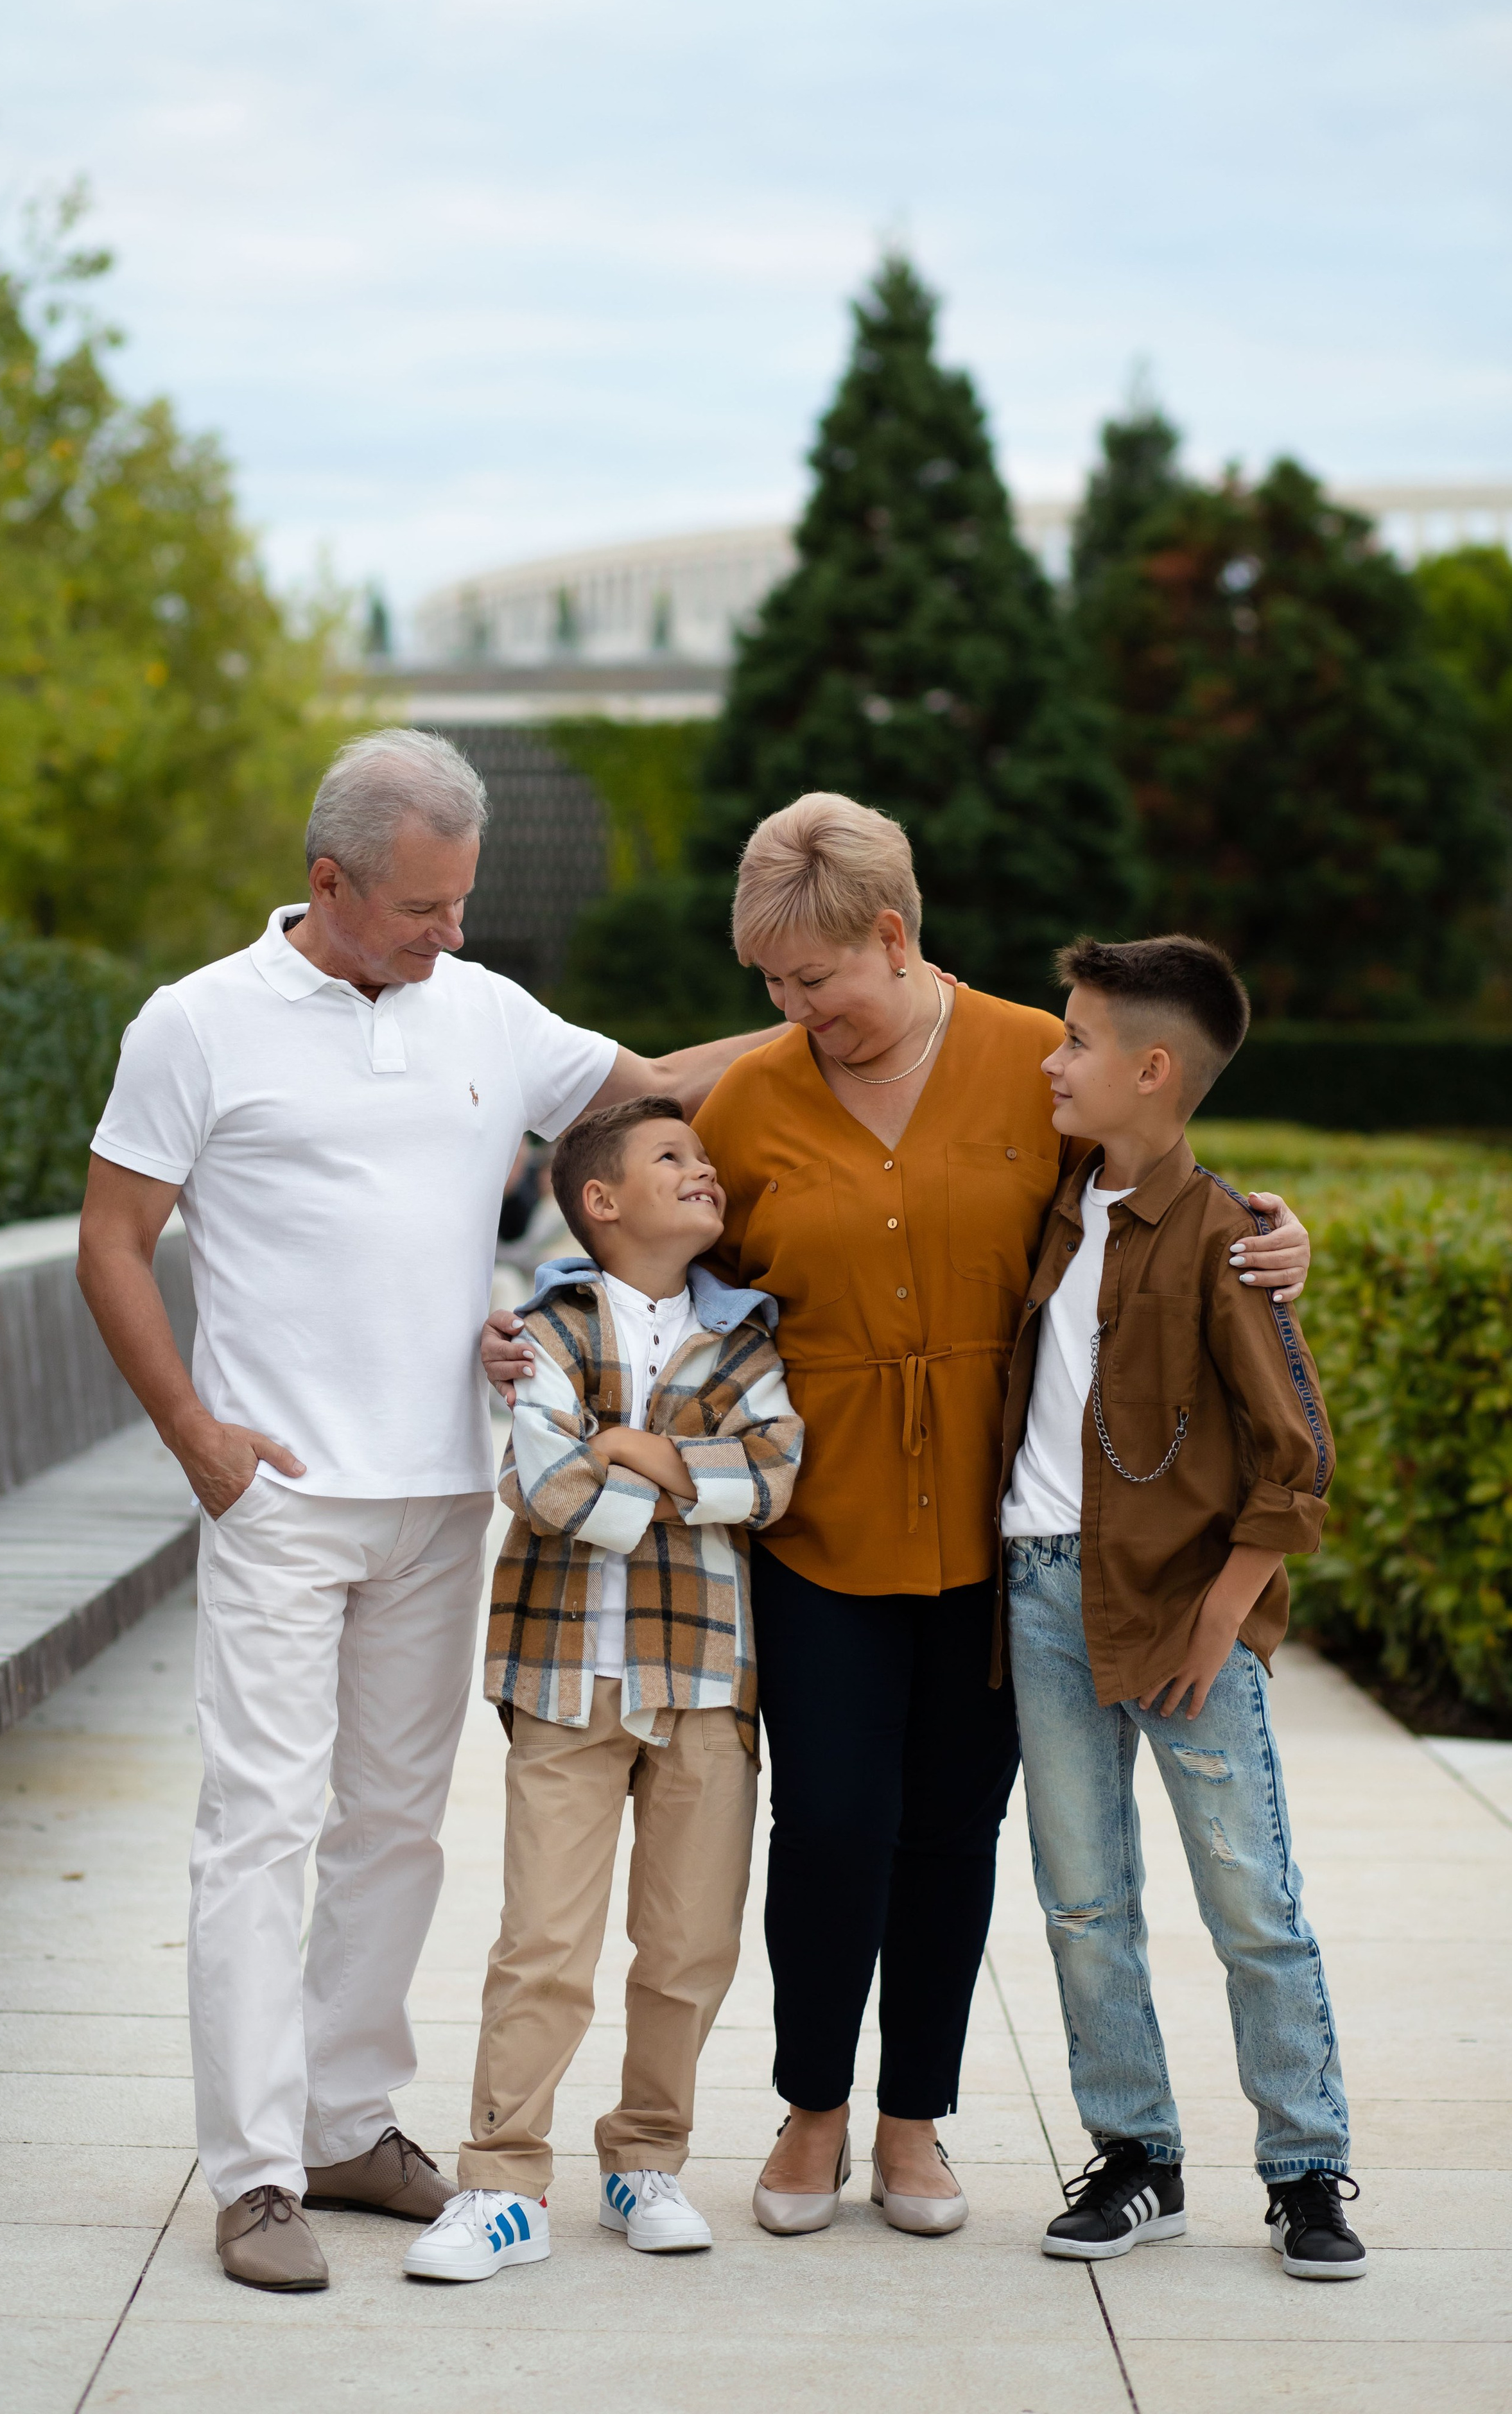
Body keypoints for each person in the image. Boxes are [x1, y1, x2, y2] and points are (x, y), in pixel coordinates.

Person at [483, 792, 1314, 2241]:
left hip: (1001, 1540)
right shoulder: (746, 1102)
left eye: (812, 978)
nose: (791, 1009)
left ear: (890, 933)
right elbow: (639, 1261)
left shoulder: (1035, 1063)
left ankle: (913, 2121)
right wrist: (530, 1335)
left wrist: (1274, 1232)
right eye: (767, 984)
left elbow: (1156, 1186)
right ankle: (810, 2110)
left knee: (951, 1833)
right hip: (812, 1529)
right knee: (827, 1827)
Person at [75, 729, 784, 2293]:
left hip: (446, 1495)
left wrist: (850, 1015)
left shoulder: (485, 1011)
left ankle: (345, 2123)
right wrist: (196, 1437)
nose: (451, 931)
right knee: (260, 1827)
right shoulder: (196, 1022)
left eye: (462, 901)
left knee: (394, 1828)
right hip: (280, 1498)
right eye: (422, 907)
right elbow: (113, 1239)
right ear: (328, 882)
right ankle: (256, 2175)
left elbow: (659, 1087)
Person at [1000, 935, 1366, 2279]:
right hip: (1039, 1591)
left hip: (1181, 1609)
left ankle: (1306, 2168)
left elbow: (1296, 1459)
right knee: (1082, 1902)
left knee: (1249, 1902)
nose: (1053, 1060)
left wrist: (1219, 1621)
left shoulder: (1226, 1237)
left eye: (1077, 1040)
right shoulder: (1047, 1204)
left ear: (1152, 1069)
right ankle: (1134, 2157)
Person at [405, 1095, 802, 2282]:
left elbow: (776, 1476)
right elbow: (544, 1482)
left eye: (705, 1155)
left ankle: (647, 2161)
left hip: (707, 1682)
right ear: (601, 1200)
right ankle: (502, 2182)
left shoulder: (746, 1338)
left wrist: (627, 1448)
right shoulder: (546, 1328)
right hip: (563, 1678)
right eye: (672, 1156)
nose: (705, 1169)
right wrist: (683, 1477)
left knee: (689, 1945)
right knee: (544, 1942)